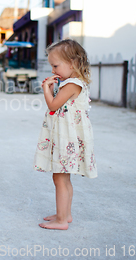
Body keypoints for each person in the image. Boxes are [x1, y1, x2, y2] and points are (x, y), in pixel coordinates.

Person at [33, 39, 97, 230]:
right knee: (63, 178)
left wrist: (46, 90)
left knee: (60, 178)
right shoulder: (73, 82)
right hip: (67, 135)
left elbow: (53, 106)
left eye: (55, 65)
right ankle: (65, 214)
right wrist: (53, 89)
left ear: (72, 63)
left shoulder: (72, 84)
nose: (53, 70)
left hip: (66, 138)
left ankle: (61, 221)